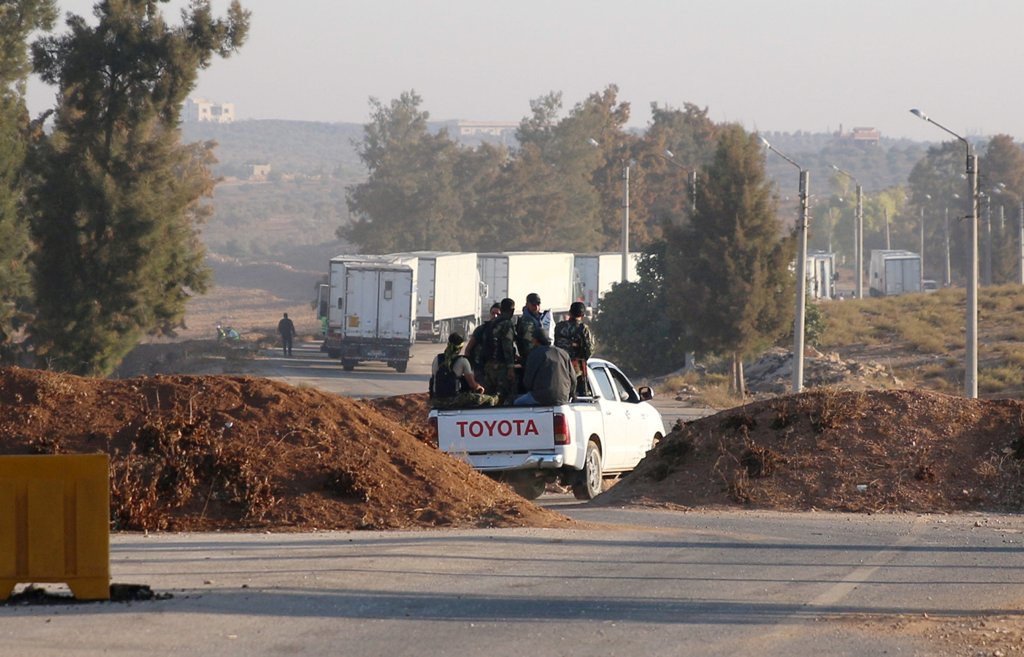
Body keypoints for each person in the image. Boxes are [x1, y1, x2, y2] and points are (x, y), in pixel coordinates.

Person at [428, 332, 499, 409]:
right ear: (460, 348)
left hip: (437, 400)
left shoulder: (437, 359)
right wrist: (480, 388)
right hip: (454, 400)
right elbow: (473, 385)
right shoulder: (462, 361)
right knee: (489, 399)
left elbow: (433, 380)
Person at [514, 328, 574, 406]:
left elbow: (528, 381)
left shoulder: (534, 354)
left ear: (536, 340)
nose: (531, 340)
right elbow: (573, 378)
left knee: (517, 403)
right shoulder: (563, 353)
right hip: (563, 398)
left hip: (540, 397)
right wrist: (570, 394)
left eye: (533, 338)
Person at [553, 301, 595, 396]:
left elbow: (556, 343)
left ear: (569, 312)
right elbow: (589, 350)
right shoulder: (584, 329)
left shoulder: (559, 327)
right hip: (577, 369)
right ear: (583, 315)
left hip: (559, 366)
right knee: (579, 395)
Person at [484, 297, 519, 403]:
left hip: (488, 365)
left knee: (490, 397)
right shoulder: (507, 324)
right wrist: (510, 368)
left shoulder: (492, 323)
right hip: (501, 366)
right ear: (512, 310)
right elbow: (507, 346)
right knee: (504, 396)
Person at [465, 302, 501, 381]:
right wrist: (469, 369)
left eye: (498, 314)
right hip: (481, 368)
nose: (495, 316)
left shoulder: (504, 331)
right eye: (493, 313)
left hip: (497, 369)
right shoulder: (481, 329)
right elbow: (468, 349)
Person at [515, 292, 543, 363]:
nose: (536, 307)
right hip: (531, 356)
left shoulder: (537, 317)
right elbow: (529, 341)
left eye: (538, 304)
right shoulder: (526, 320)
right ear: (527, 304)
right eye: (533, 305)